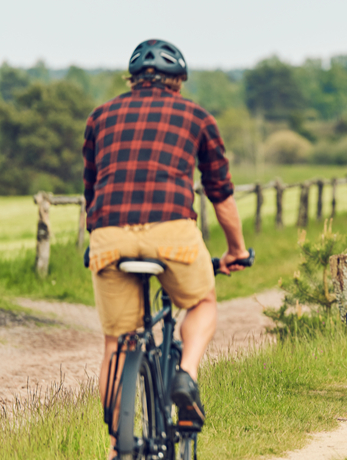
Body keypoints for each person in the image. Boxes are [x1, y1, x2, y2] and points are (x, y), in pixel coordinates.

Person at [82, 39, 250, 459]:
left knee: (115, 341)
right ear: (178, 82)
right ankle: (186, 376)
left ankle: (117, 445)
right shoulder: (196, 116)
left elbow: (92, 188)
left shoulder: (100, 117)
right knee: (203, 301)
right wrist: (236, 250)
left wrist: (97, 241)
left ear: (132, 79)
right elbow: (221, 194)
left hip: (110, 234)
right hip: (172, 231)